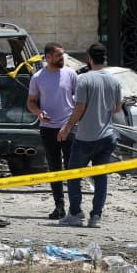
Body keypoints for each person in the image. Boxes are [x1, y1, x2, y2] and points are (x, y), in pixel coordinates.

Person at [57, 42, 122, 229]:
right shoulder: (115, 80)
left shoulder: (84, 79)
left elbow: (79, 108)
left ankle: (75, 213)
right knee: (100, 177)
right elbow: (117, 109)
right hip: (107, 137)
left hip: (86, 138)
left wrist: (66, 128)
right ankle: (96, 217)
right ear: (105, 58)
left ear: (90, 58)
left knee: (73, 174)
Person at [27, 42, 78, 220]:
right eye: (58, 56)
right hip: (48, 128)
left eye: (63, 55)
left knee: (72, 168)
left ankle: (75, 207)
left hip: (68, 126)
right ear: (48, 57)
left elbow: (78, 101)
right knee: (54, 167)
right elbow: (31, 103)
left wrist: (71, 124)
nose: (62, 58)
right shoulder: (38, 77)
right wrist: (39, 112)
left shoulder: (71, 74)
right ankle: (59, 206)